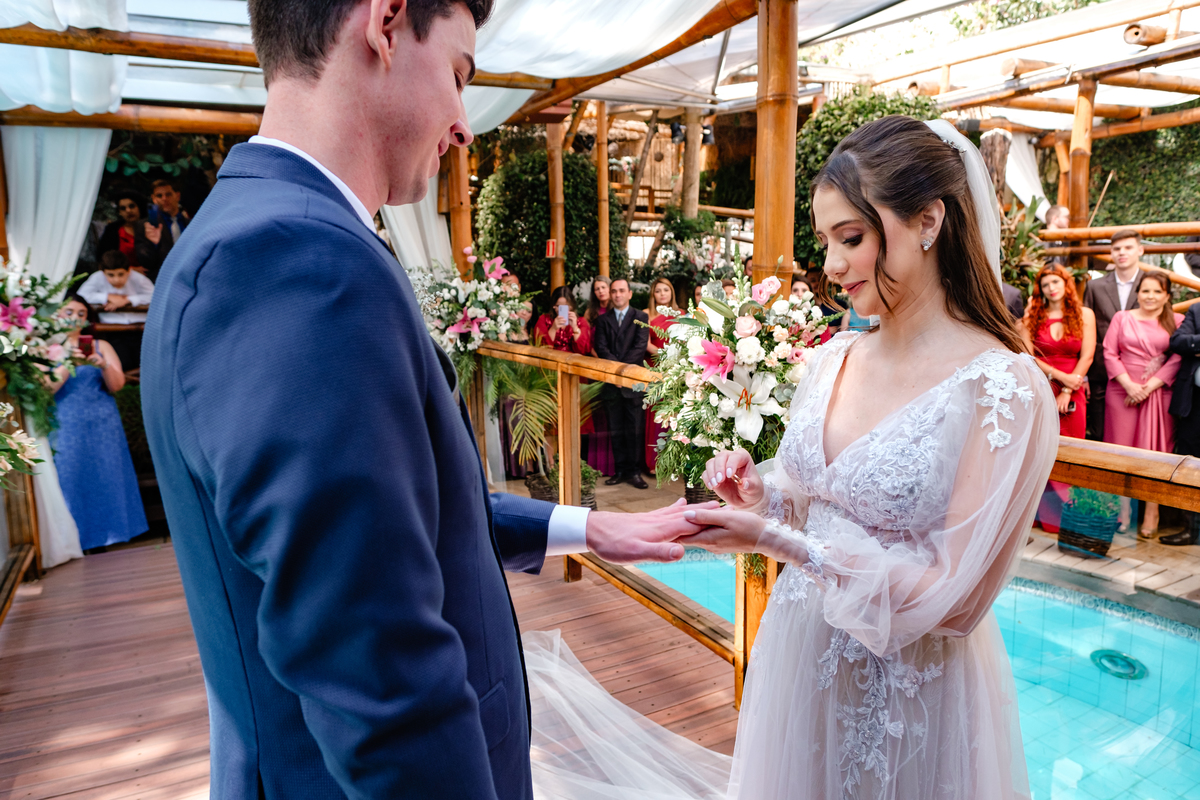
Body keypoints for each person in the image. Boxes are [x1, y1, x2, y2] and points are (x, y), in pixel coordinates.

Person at [139, 2, 709, 798]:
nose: (463, 124)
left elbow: (397, 515)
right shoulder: (296, 263)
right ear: (385, 22)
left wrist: (588, 526)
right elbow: (379, 671)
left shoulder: (272, 234)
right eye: (459, 74)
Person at [682, 116, 1057, 798]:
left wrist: (774, 539)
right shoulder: (831, 361)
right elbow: (813, 500)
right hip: (799, 666)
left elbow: (957, 600)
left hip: (911, 704)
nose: (829, 267)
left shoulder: (1001, 387)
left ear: (927, 222)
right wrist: (761, 495)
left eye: (850, 238)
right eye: (825, 242)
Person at [47, 295, 147, 552]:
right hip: (65, 420)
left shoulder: (101, 345)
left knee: (107, 474)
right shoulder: (46, 347)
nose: (76, 317)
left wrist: (103, 365)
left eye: (82, 313)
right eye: (70, 311)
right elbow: (47, 388)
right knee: (70, 475)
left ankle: (111, 536)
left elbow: (117, 385)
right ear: (56, 314)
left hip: (103, 421)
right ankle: (77, 540)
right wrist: (70, 361)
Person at [1104, 272, 1182, 536]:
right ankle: (1122, 511)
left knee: (1156, 453)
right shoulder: (1121, 318)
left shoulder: (1178, 322)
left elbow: (1178, 359)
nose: (1150, 296)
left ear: (1167, 296)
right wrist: (1129, 386)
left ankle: (1152, 511)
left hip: (1158, 393)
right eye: (1145, 291)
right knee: (1121, 452)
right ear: (1137, 293)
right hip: (1122, 393)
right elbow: (1109, 352)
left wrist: (1149, 387)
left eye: (1157, 292)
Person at [1021, 264, 1096, 533]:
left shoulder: (1084, 314)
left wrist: (1067, 389)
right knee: (1039, 451)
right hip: (1042, 388)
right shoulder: (1032, 317)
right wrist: (1059, 378)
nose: (1051, 288)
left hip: (1072, 391)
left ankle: (1072, 518)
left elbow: (1086, 356)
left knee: (1071, 450)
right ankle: (1042, 516)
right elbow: (1028, 357)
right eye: (1045, 284)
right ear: (1039, 290)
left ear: (1066, 284)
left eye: (1056, 282)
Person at [1083, 229, 1146, 441]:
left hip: (1142, 374)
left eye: (1128, 247)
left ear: (1140, 250)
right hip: (1101, 372)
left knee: (1139, 435)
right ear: (1111, 253)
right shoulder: (1094, 286)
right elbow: (1085, 329)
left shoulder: (1152, 285)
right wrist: (1083, 376)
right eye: (1117, 248)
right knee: (1100, 433)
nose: (1122, 252)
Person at [592, 277, 650, 489]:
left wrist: (622, 375)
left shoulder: (641, 317)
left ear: (629, 294)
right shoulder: (602, 320)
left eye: (621, 291)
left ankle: (634, 472)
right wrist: (615, 375)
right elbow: (601, 347)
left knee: (634, 430)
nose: (617, 294)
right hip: (611, 385)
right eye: (614, 291)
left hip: (633, 383)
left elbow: (639, 348)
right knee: (615, 429)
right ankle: (620, 470)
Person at [78, 250, 156, 371]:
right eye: (111, 275)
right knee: (122, 361)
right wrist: (107, 296)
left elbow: (155, 295)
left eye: (121, 274)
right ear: (102, 272)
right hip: (112, 329)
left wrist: (128, 300)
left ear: (129, 271)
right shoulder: (96, 278)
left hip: (140, 328)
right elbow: (81, 295)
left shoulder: (139, 279)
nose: (116, 280)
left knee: (142, 361)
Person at [1167, 301, 1200, 544]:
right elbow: (1178, 342)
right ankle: (1191, 529)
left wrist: (1195, 344)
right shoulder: (1197, 310)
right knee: (1190, 464)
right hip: (1194, 403)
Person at [644, 277, 680, 472]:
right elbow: (645, 342)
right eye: (658, 291)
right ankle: (654, 462)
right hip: (656, 367)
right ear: (653, 294)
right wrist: (665, 354)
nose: (662, 294)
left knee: (674, 415)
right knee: (656, 414)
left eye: (666, 290)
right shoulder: (647, 315)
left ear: (671, 292)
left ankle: (674, 462)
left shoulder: (681, 314)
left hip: (677, 369)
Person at [97, 190, 159, 275]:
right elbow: (104, 259)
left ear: (139, 207)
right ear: (119, 212)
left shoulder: (152, 227)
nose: (128, 210)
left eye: (132, 206)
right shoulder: (112, 231)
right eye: (123, 208)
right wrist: (130, 270)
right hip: (122, 278)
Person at [144, 178, 190, 265]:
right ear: (154, 199)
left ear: (177, 196)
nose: (164, 199)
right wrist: (154, 244)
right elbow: (146, 261)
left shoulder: (191, 223)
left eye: (168, 194)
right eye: (159, 196)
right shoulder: (147, 226)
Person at [533, 286, 591, 354]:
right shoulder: (544, 319)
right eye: (559, 306)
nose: (562, 309)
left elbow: (583, 350)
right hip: (550, 360)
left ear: (571, 306)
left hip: (573, 362)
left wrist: (575, 327)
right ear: (553, 306)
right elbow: (541, 346)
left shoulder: (581, 321)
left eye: (566, 306)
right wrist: (553, 328)